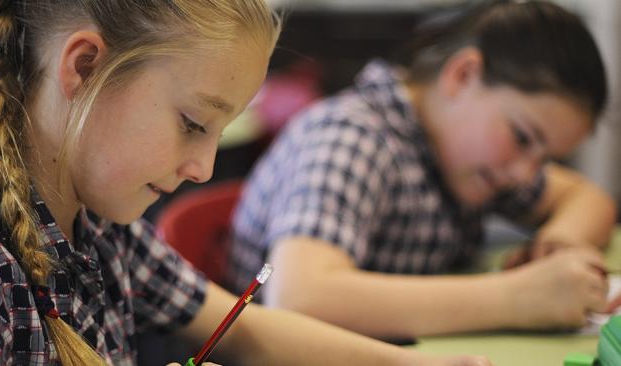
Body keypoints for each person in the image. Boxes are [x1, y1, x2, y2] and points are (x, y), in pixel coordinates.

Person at [0, 1, 493, 365]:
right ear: (85, 67)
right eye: (193, 124)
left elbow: (247, 330)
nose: (203, 169)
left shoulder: (102, 225)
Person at [227, 0, 619, 340]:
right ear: (463, 75)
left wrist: (557, 243)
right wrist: (517, 297)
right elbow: (298, 297)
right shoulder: (351, 137)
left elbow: (587, 198)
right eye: (523, 137)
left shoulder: (466, 156)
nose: (525, 174)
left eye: (545, 157)